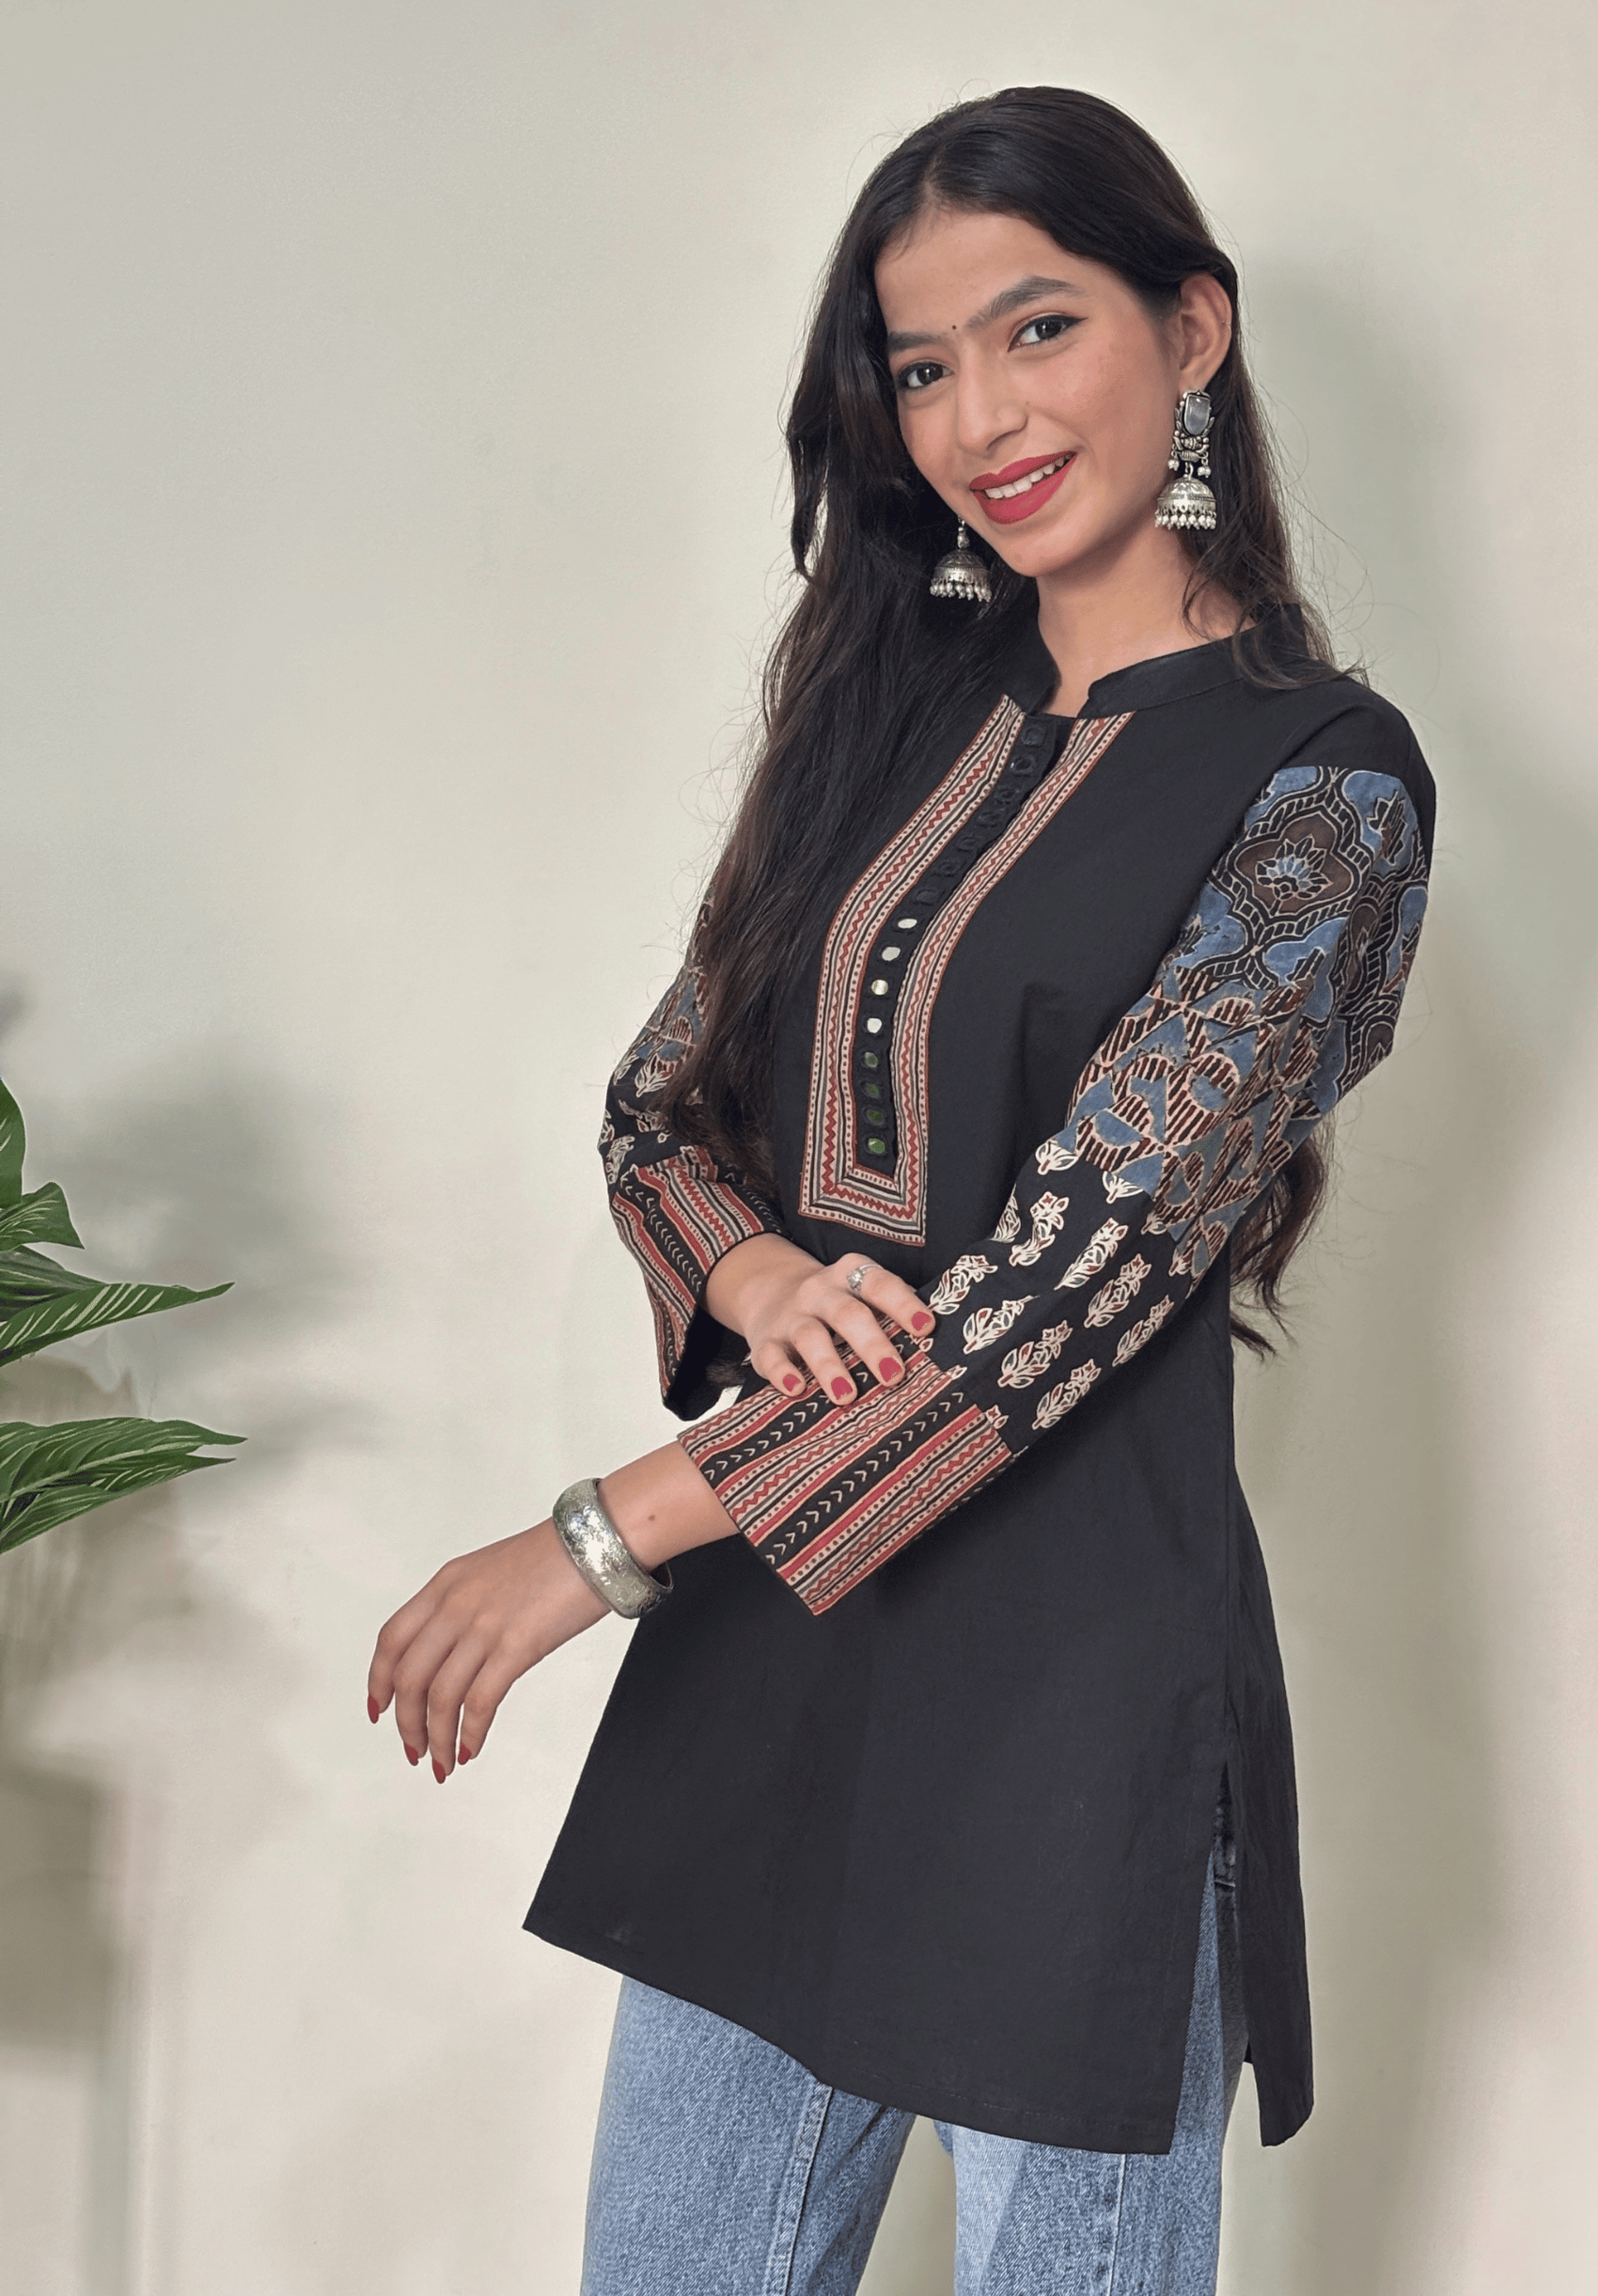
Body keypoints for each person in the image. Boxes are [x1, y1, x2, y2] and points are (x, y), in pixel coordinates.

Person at [368, 84, 1434, 2295]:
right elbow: (659, 1101)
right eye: (924, 367)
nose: (981, 419)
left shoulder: (1320, 790)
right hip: (775, 1656)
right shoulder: (889, 712)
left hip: (1070, 1711)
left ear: (1192, 328)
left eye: (1038, 330)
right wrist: (755, 1268)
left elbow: (1057, 1296)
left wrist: (596, 1540)